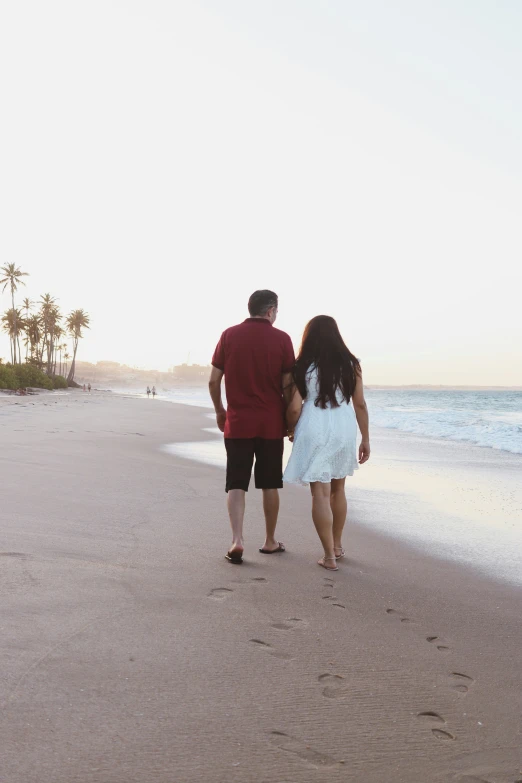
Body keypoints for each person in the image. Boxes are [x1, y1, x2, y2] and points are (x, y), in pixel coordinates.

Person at [209, 290, 295, 564]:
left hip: (238, 423)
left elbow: (213, 381)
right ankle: (270, 541)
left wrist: (220, 410)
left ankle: (237, 540)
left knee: (237, 483)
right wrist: (291, 421)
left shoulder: (229, 335)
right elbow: (288, 386)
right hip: (271, 424)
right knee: (270, 483)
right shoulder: (282, 339)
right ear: (270, 310)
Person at [283, 316, 370, 571]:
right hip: (343, 426)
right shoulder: (351, 364)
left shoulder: (302, 366)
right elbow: (360, 403)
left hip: (313, 425)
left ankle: (328, 556)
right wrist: (365, 437)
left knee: (319, 493)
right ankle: (338, 545)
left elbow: (295, 407)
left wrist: (291, 429)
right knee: (338, 489)